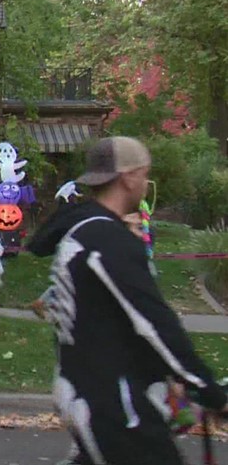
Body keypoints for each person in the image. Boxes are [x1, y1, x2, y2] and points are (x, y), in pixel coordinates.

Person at [30, 136, 227, 465]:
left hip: (92, 394)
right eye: (145, 175)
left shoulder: (83, 234)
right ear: (128, 177)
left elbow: (108, 324)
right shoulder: (106, 241)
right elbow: (154, 324)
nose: (146, 185)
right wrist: (206, 389)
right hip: (117, 406)